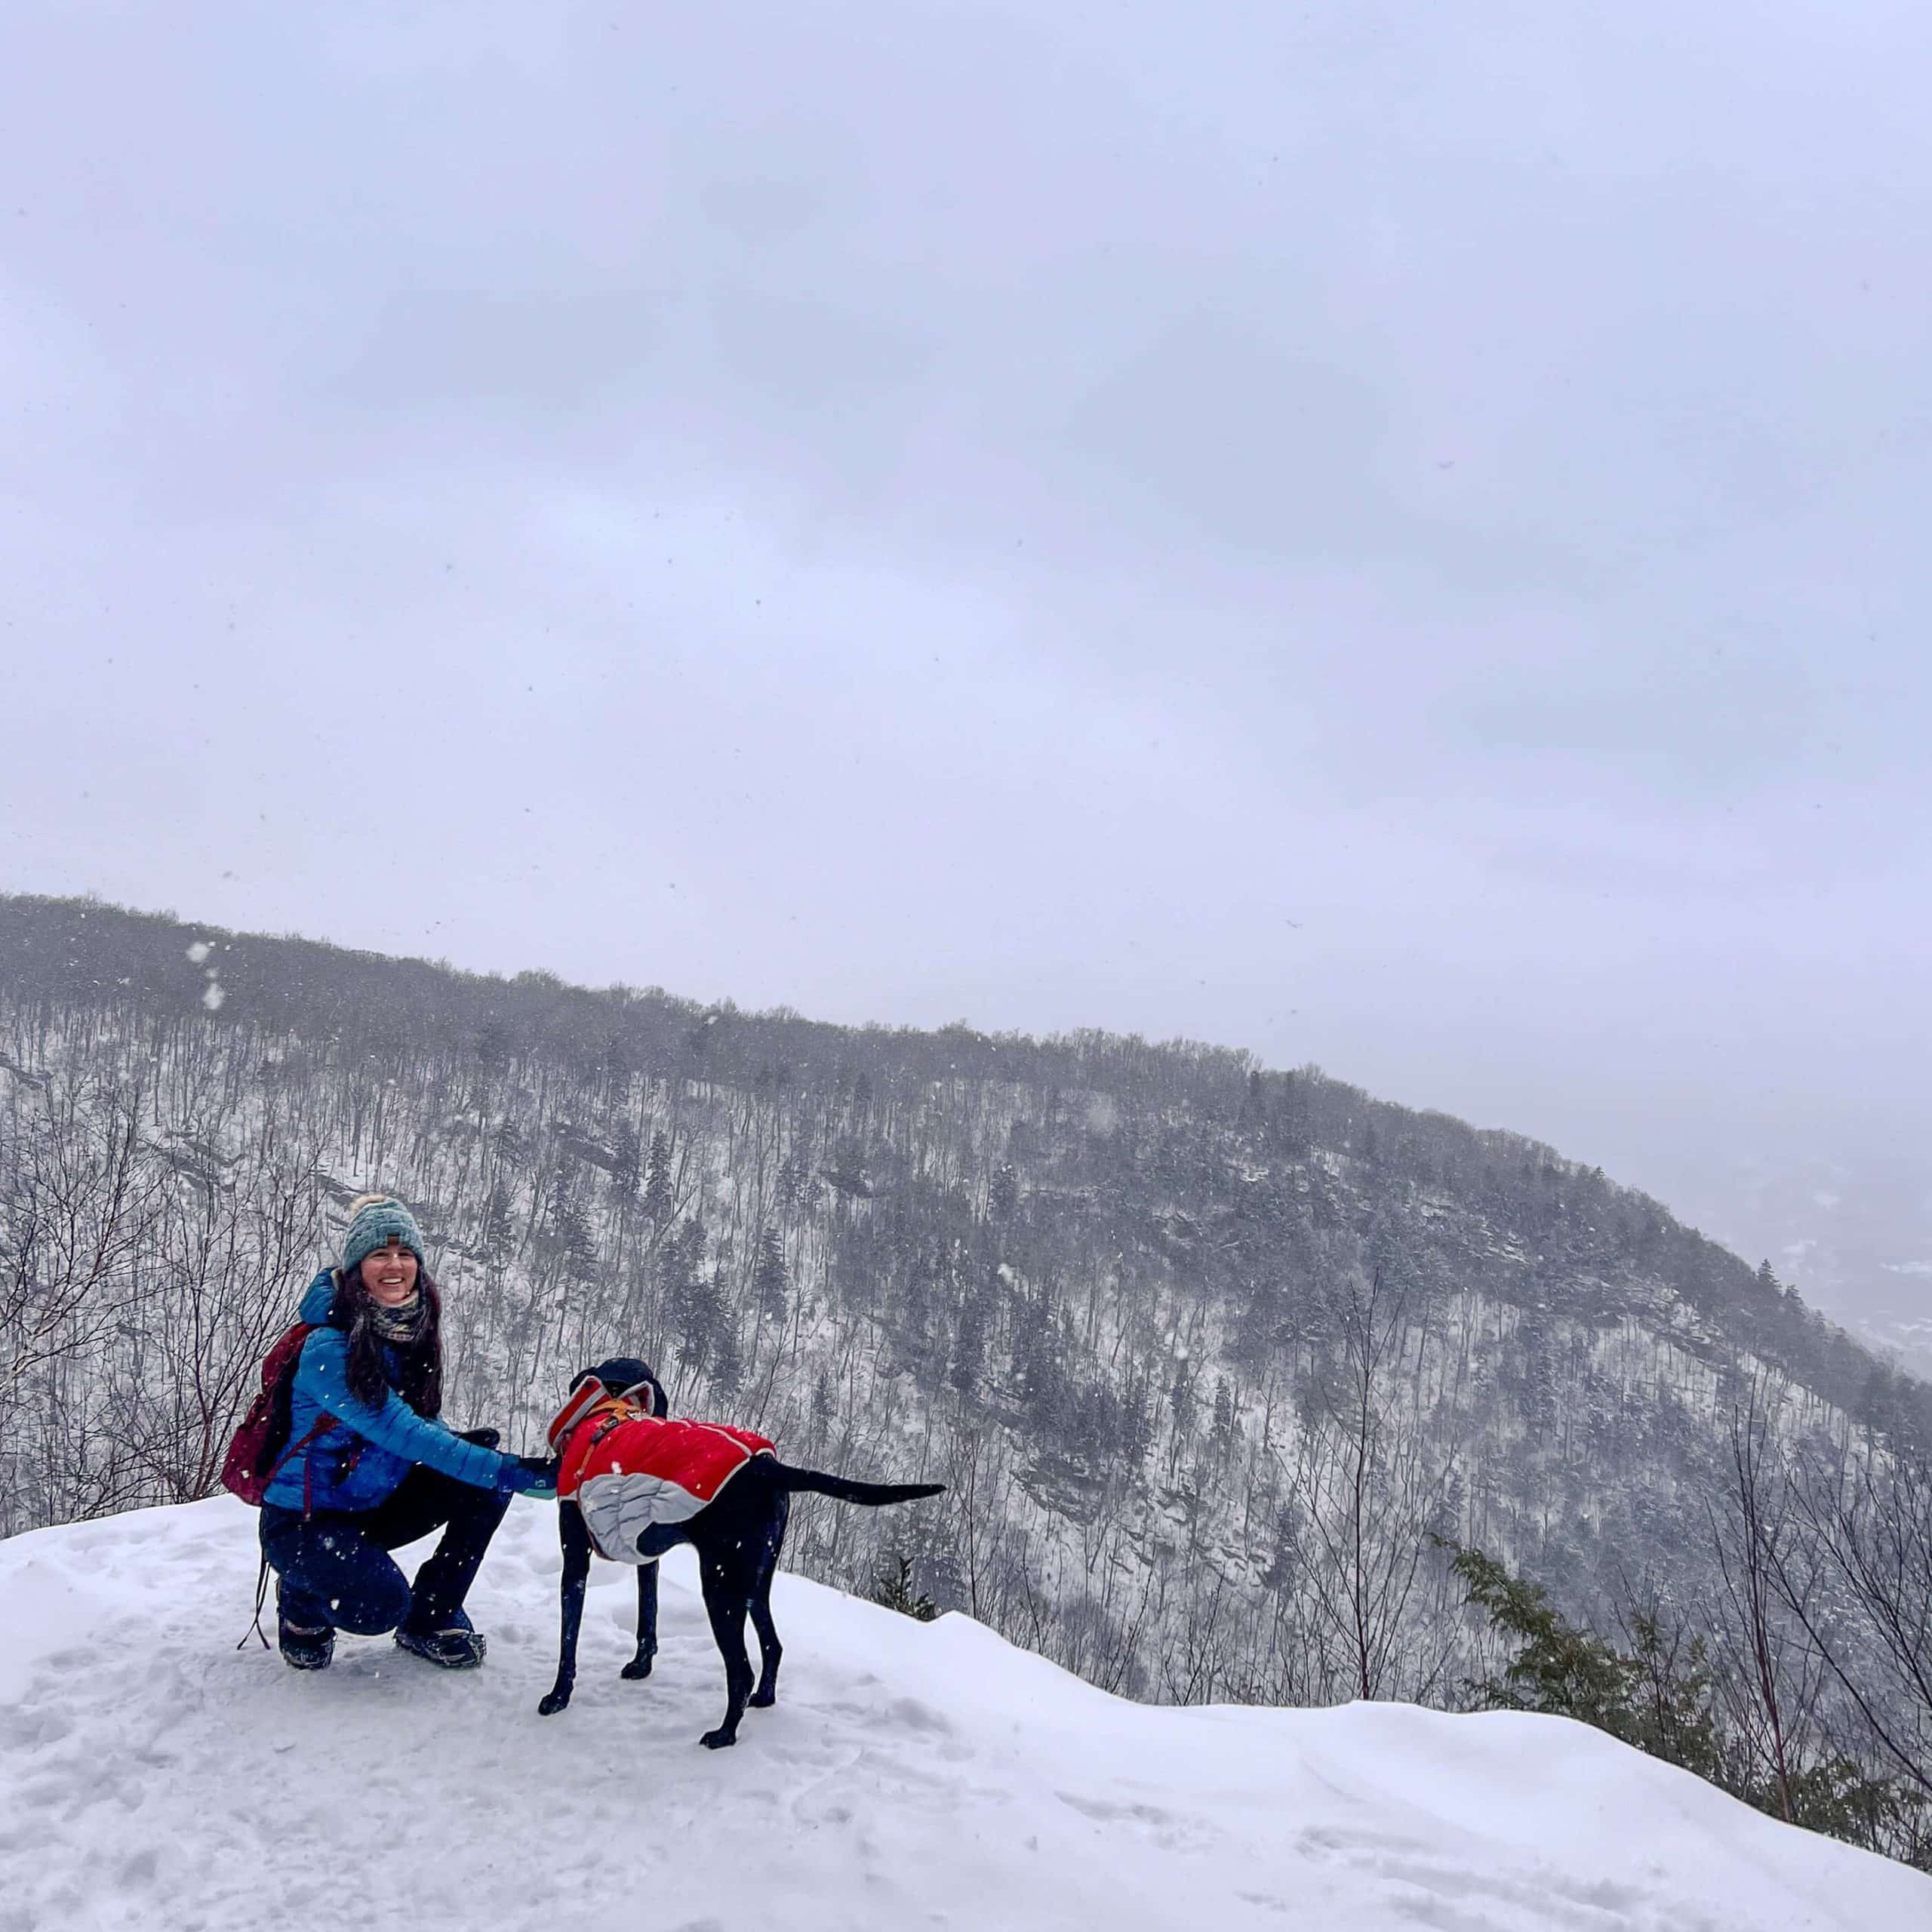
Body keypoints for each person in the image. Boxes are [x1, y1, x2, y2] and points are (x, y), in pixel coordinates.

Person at [260, 1192, 553, 1671]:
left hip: (368, 1507)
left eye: (404, 1254)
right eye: (379, 1254)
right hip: (304, 1525)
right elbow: (403, 1433)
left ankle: (430, 1618)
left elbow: (421, 1423)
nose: (394, 1265)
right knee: (379, 1608)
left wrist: (490, 1466)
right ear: (356, 1268)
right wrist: (521, 1473)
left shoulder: (409, 1330)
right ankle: (301, 1602)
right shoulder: (327, 1349)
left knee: (483, 1483)